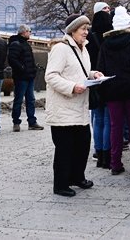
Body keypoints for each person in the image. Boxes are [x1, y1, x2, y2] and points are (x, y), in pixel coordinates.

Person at [45, 14, 103, 197]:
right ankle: (60, 184)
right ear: (72, 30)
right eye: (83, 29)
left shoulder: (83, 49)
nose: (87, 32)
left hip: (79, 108)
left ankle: (78, 176)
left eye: (87, 28)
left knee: (83, 144)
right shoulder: (61, 49)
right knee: (65, 148)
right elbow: (51, 76)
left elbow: (79, 72)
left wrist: (93, 75)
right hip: (64, 109)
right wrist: (71, 87)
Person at [98, 6, 130, 174]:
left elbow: (100, 69)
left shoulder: (105, 45)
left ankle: (115, 164)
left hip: (112, 91)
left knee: (115, 127)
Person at [87, 3, 112, 169]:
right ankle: (106, 153)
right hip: (108, 80)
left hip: (93, 79)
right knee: (107, 119)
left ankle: (98, 150)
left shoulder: (88, 36)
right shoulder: (110, 35)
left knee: (97, 118)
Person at [8, 25, 43, 132]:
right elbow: (12, 59)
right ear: (23, 32)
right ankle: (16, 122)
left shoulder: (25, 44)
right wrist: (22, 68)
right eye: (29, 31)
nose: (30, 33)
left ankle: (32, 122)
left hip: (29, 76)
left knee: (31, 100)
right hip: (21, 77)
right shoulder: (16, 44)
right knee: (18, 100)